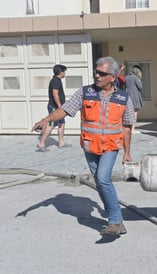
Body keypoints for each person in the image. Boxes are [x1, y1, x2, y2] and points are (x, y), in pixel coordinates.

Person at [32, 56, 135, 236]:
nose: (97, 76)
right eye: (96, 72)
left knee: (103, 179)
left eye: (102, 73)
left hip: (110, 146)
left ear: (112, 76)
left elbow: (127, 126)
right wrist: (46, 119)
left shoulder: (123, 98)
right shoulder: (85, 92)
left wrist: (127, 152)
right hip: (89, 146)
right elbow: (65, 109)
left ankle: (115, 221)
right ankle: (117, 220)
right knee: (100, 182)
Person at [36, 64, 71, 152]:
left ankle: (61, 143)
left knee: (61, 123)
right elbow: (55, 94)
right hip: (55, 107)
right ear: (60, 72)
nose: (65, 73)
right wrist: (59, 107)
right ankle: (41, 144)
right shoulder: (55, 81)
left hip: (60, 107)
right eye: (64, 71)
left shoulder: (58, 80)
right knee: (52, 125)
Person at [125, 65, 144, 133]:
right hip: (135, 96)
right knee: (135, 113)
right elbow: (140, 86)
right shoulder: (135, 78)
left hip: (128, 96)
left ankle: (129, 128)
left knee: (129, 113)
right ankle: (133, 129)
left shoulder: (126, 77)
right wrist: (139, 79)